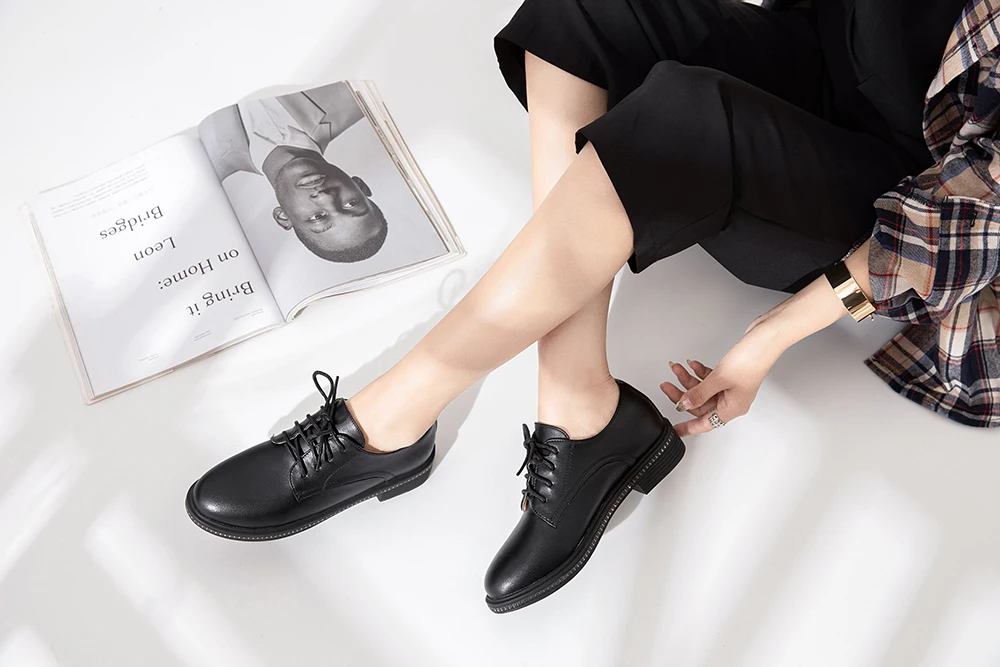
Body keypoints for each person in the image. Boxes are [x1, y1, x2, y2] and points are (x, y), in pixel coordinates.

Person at [185, 0, 1000, 613]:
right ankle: (578, 402)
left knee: (688, 117)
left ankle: (390, 417)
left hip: (912, 199)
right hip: (834, 50)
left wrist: (771, 336)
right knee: (576, 9)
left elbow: (972, 213)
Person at [200, 82, 389, 263]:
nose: (325, 197)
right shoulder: (356, 95)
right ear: (360, 186)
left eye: (318, 217)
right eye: (351, 204)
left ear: (283, 217)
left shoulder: (202, 158)